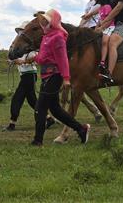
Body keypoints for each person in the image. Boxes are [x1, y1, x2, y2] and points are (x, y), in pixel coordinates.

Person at [27, 9, 90, 146]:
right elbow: (43, 57)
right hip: (46, 75)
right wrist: (31, 59)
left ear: (53, 22)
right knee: (55, 109)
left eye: (46, 20)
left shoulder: (58, 37)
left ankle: (37, 141)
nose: (43, 23)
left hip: (54, 76)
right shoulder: (46, 36)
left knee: (40, 108)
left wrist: (66, 78)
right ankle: (81, 129)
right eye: (43, 20)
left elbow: (62, 60)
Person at [2, 22, 55, 132]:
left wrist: (22, 61)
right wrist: (15, 60)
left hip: (29, 74)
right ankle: (48, 118)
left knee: (17, 98)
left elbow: (34, 57)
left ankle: (12, 123)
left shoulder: (31, 47)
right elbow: (12, 55)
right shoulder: (19, 44)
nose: (20, 33)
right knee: (32, 101)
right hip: (26, 75)